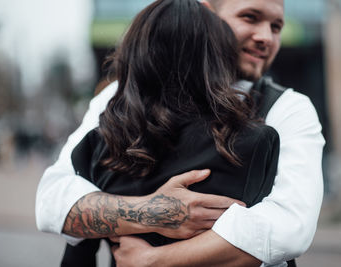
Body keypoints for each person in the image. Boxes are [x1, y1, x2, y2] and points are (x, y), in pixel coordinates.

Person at [36, 0, 325, 266]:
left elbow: (288, 227)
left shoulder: (288, 108)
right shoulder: (122, 95)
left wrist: (152, 260)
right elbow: (53, 202)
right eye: (250, 17)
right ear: (206, 14)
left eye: (276, 27)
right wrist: (155, 212)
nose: (266, 37)